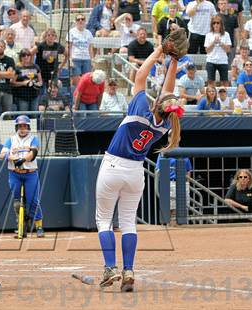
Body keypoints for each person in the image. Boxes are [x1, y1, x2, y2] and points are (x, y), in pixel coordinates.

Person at [95, 44, 183, 291]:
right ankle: (129, 270)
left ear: (159, 104)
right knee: (128, 223)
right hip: (135, 172)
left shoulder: (142, 107)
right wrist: (173, 62)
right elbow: (168, 94)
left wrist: (158, 51)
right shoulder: (166, 125)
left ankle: (110, 267)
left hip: (113, 165)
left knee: (103, 220)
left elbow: (140, 76)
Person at [0, 115, 44, 238]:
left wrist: (22, 160)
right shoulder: (11, 139)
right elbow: (2, 154)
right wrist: (12, 158)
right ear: (16, 127)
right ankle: (21, 226)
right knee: (17, 202)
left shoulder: (33, 139)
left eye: (25, 126)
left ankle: (39, 226)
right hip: (15, 174)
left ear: (28, 127)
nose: (22, 129)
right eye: (20, 126)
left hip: (30, 173)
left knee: (33, 201)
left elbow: (33, 153)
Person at [66, 14, 94, 86]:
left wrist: (92, 60)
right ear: (75, 22)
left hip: (86, 59)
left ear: (85, 21)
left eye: (82, 19)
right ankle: (75, 96)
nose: (80, 21)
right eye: (78, 19)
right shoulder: (71, 32)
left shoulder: (89, 33)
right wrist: (70, 59)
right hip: (75, 58)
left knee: (87, 80)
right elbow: (68, 47)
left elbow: (90, 48)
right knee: (75, 81)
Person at [204, 16, 231, 87]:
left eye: (218, 23)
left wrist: (220, 43)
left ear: (221, 24)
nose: (216, 24)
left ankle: (225, 97)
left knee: (225, 82)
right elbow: (207, 50)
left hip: (223, 61)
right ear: (212, 25)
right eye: (214, 23)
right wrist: (213, 43)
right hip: (211, 61)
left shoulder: (226, 34)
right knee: (210, 82)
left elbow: (228, 50)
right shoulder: (208, 35)